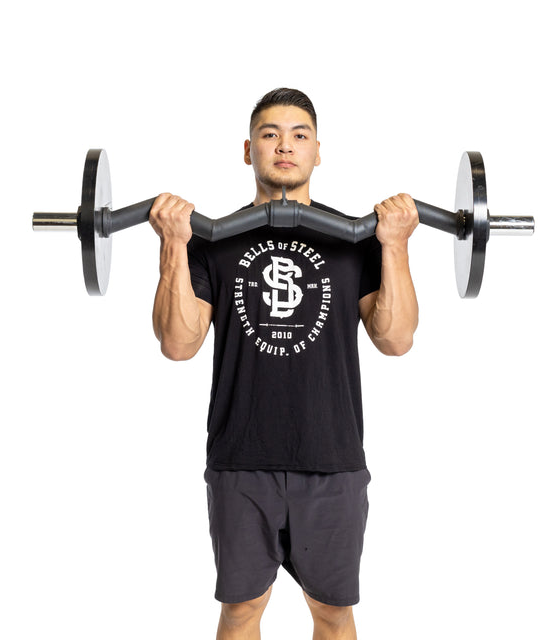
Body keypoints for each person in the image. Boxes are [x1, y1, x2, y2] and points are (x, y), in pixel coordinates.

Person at [149, 88, 419, 640]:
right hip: (241, 460)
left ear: (319, 151)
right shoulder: (211, 243)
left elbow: (396, 339)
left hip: (334, 458)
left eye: (299, 135)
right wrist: (175, 245)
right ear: (248, 151)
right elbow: (179, 344)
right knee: (242, 611)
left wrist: (394, 245)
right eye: (270, 134)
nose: (285, 146)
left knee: (333, 614)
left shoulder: (353, 241)